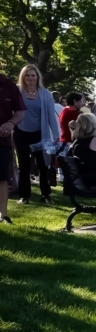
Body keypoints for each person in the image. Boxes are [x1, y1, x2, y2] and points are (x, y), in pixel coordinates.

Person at [13, 65, 60, 204]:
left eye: (33, 75)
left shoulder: (46, 94)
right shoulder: (17, 91)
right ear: (23, 77)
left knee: (42, 164)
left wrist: (56, 134)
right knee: (24, 165)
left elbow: (51, 115)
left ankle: (46, 194)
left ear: (37, 77)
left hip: (40, 133)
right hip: (20, 131)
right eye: (27, 75)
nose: (30, 78)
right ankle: (24, 196)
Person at [0, 70, 26, 224]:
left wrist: (11, 123)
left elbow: (20, 111)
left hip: (2, 140)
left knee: (2, 178)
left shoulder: (9, 85)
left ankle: (3, 215)